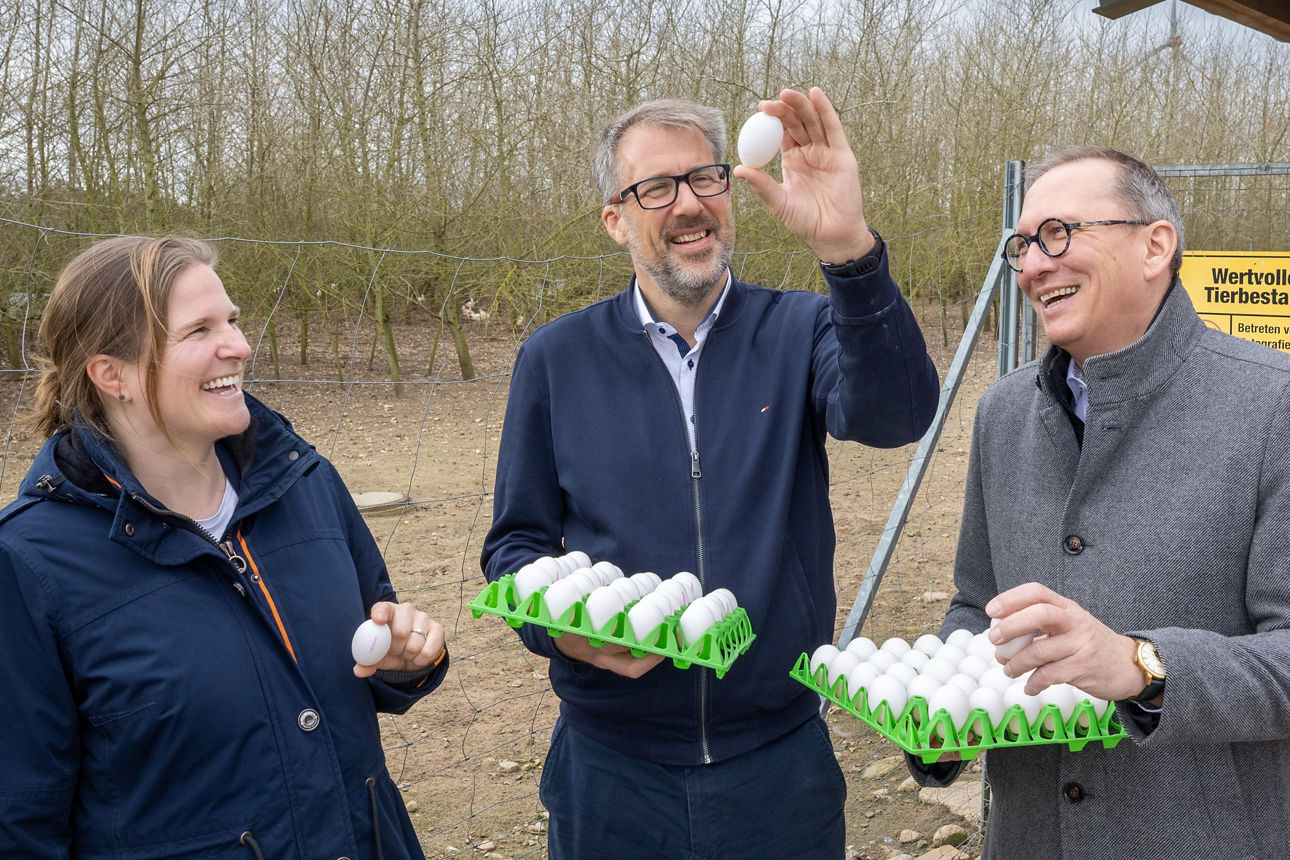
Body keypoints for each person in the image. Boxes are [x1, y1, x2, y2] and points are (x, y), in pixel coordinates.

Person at [481, 88, 939, 858]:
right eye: (657, 188)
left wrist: (849, 252)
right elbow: (514, 546)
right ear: (615, 219)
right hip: (612, 769)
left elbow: (898, 416)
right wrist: (557, 633)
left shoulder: (800, 329)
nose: (689, 204)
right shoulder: (557, 359)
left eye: (704, 178)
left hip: (779, 765)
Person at [0, 236, 450, 859]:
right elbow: (20, 821)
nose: (239, 345)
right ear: (111, 374)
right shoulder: (28, 563)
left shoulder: (306, 483)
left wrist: (407, 661)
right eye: (199, 330)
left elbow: (370, 658)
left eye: (233, 321)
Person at [908, 146, 1290, 857]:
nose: (1033, 266)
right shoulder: (1001, 413)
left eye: (1058, 234)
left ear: (1155, 246)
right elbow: (977, 604)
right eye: (1023, 246)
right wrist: (946, 711)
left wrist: (1142, 666)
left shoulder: (1273, 406)